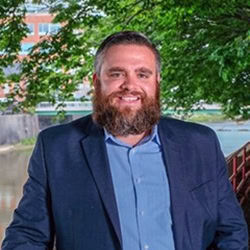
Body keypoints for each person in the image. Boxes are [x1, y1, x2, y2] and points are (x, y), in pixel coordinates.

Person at [2, 31, 248, 250]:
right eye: (116, 73)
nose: (130, 85)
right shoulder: (56, 148)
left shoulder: (200, 143)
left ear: (157, 82)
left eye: (142, 74)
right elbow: (28, 236)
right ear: (97, 82)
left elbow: (231, 231)